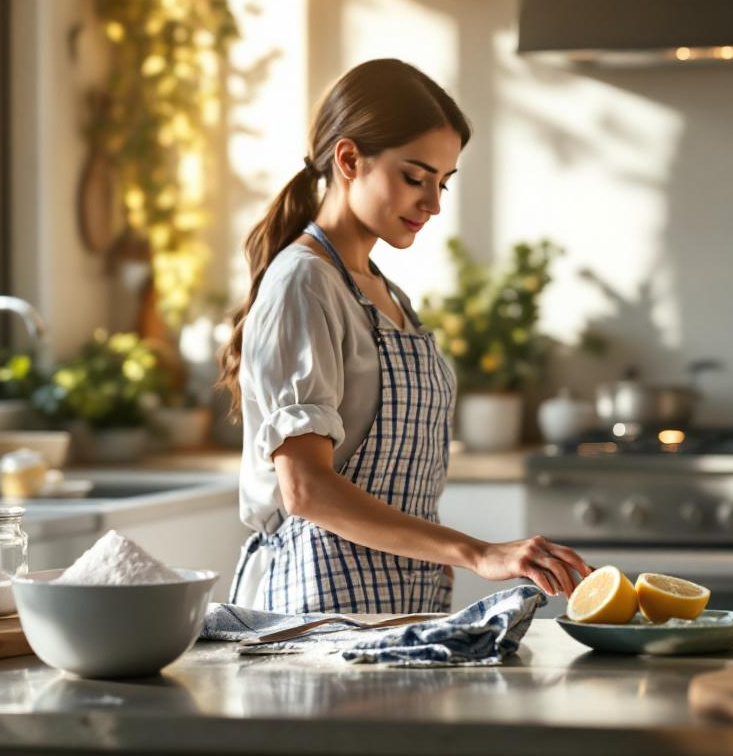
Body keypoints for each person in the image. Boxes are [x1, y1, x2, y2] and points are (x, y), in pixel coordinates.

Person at [217, 59, 591, 614]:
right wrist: (477, 552)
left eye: (443, 182)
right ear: (349, 160)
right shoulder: (303, 282)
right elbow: (306, 490)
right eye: (416, 178)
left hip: (400, 601)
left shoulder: (386, 294)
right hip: (317, 606)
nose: (433, 203)